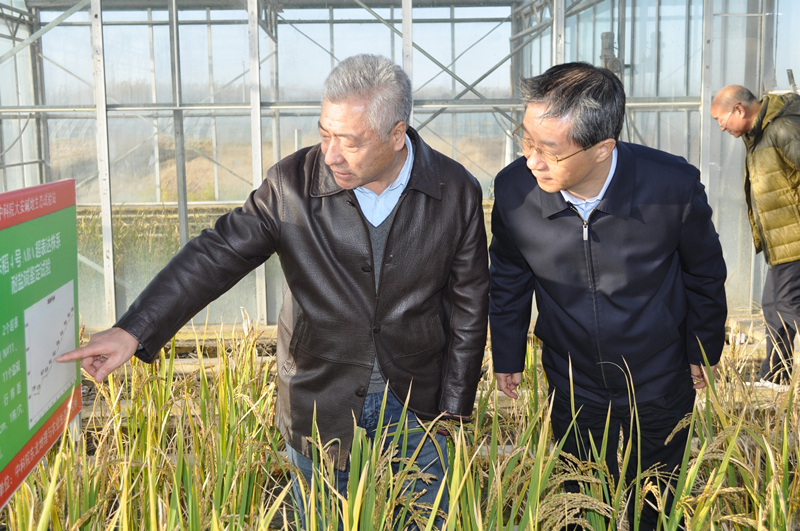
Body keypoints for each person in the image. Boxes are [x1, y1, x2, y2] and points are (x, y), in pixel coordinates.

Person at [58, 54, 490, 528]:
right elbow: (217, 253)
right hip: (320, 400)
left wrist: (453, 407)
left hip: (416, 404)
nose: (331, 155)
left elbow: (468, 302)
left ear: (396, 133)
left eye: (349, 141)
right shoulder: (291, 186)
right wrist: (134, 330)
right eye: (325, 133)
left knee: (430, 520)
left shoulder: (456, 191)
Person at [489, 62, 727, 530]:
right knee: (579, 499)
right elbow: (509, 277)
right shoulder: (515, 191)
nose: (532, 160)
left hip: (657, 375)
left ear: (603, 149)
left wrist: (702, 348)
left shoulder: (671, 187)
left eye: (549, 150)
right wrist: (508, 354)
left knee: (655, 499)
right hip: (571, 376)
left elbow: (704, 272)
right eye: (526, 141)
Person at [711, 85, 800, 392]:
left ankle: (776, 375)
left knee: (786, 304)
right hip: (784, 241)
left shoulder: (782, 129)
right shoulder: (759, 135)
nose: (721, 127)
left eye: (721, 119)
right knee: (773, 305)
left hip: (794, 238)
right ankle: (775, 377)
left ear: (739, 109)